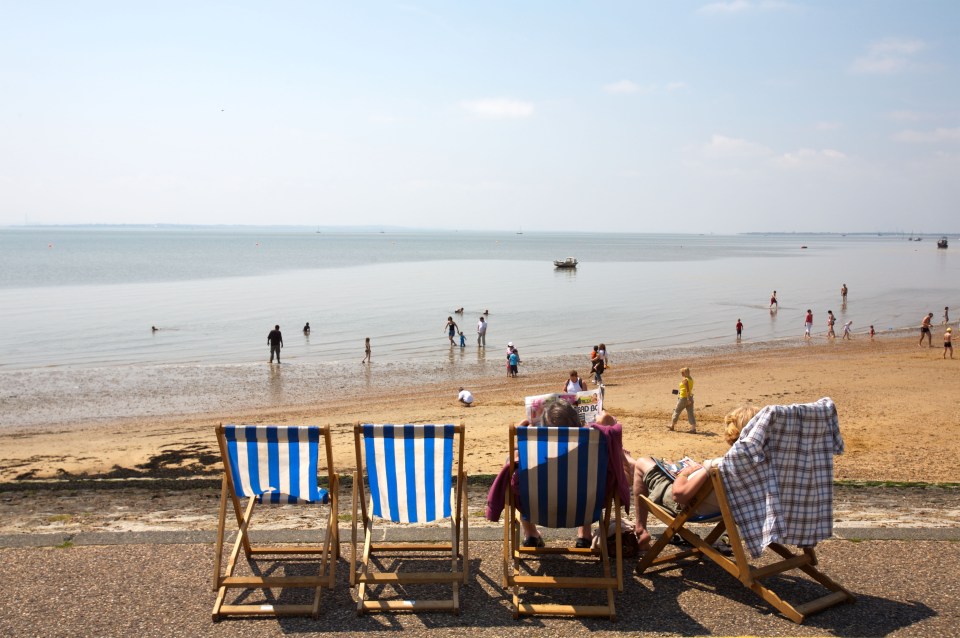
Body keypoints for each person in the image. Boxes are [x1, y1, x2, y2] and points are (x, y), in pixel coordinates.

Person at [630, 406, 760, 552]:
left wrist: (684, 474)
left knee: (641, 463)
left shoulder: (719, 465)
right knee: (663, 466)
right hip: (731, 510)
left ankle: (640, 531)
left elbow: (679, 495)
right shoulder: (763, 466)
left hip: (693, 507)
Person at [669, 367, 696, 433]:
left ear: (685, 373)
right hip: (690, 397)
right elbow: (686, 390)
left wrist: (687, 399)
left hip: (684, 398)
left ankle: (672, 425)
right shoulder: (691, 379)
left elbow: (687, 390)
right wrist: (688, 398)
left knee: (677, 411)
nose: (681, 374)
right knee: (690, 413)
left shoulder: (685, 380)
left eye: (682, 372)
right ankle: (693, 428)